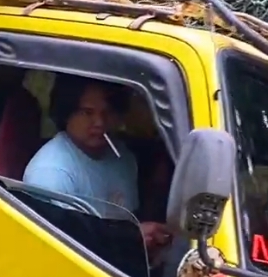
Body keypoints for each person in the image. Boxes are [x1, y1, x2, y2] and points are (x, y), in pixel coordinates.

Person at [23, 77, 170, 258]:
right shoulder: (51, 172)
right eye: (87, 112)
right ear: (67, 113)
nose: (99, 122)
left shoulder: (122, 156)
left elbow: (128, 218)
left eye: (107, 112)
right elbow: (60, 248)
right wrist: (132, 238)